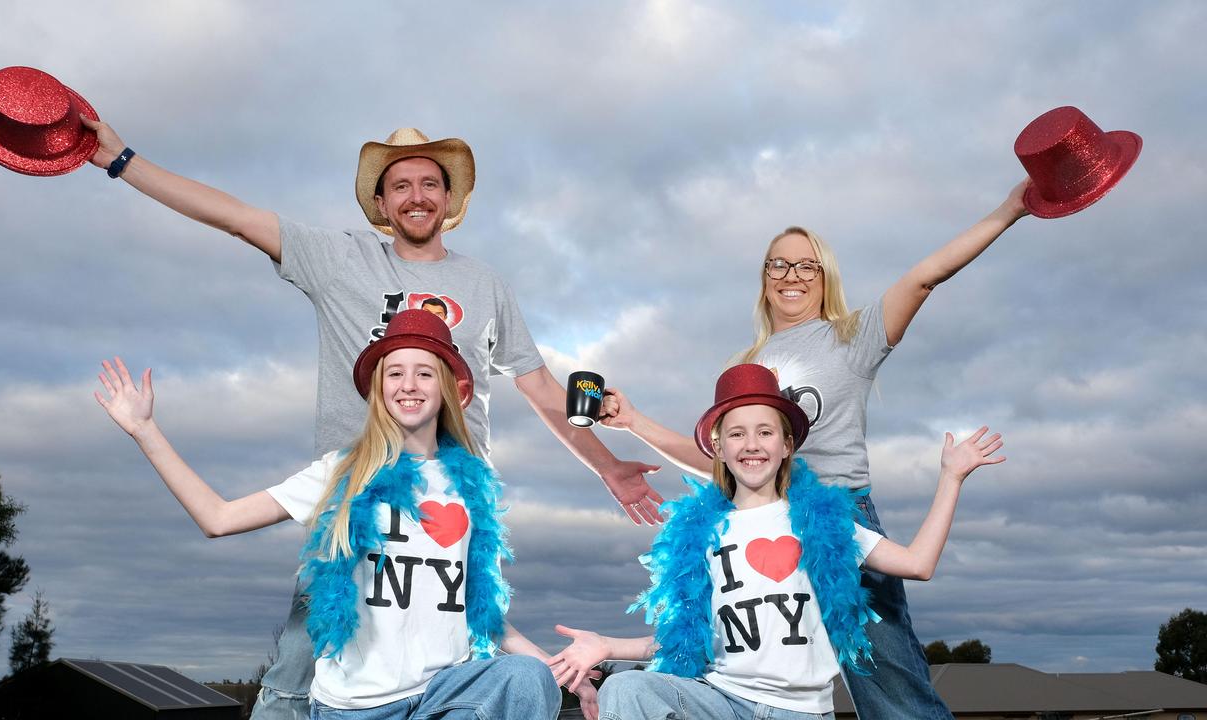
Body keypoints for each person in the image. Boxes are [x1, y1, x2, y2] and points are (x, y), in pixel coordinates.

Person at [79, 118, 663, 717]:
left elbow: (541, 389)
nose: (417, 196)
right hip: (352, 502)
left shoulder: (484, 284)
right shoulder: (340, 260)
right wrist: (122, 160)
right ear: (380, 203)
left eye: (431, 183)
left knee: (472, 662)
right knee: (303, 669)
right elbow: (234, 215)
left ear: (451, 198)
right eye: (401, 184)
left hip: (454, 508)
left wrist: (608, 467)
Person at [598, 183, 1030, 718]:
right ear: (764, 280)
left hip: (838, 518)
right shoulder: (747, 362)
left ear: (825, 277)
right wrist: (632, 421)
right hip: (764, 516)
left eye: (808, 265)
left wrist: (1011, 209)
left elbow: (925, 276)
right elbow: (719, 455)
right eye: (778, 266)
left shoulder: (852, 335)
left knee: (888, 686)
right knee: (738, 663)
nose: (793, 276)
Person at [95, 310, 595, 719]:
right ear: (378, 389)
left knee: (527, 680)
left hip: (444, 697)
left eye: (425, 373)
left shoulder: (472, 487)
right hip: (358, 708)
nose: (409, 384)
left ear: (446, 388)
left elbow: (481, 612)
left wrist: (560, 671)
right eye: (395, 373)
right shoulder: (343, 472)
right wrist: (145, 431)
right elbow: (217, 517)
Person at [551, 364, 1003, 720]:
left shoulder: (825, 522)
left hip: (802, 712)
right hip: (723, 702)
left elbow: (918, 563)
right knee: (629, 688)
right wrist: (607, 645)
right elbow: (684, 640)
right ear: (718, 448)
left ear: (787, 445)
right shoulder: (702, 535)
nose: (752, 444)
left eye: (765, 432)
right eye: (737, 433)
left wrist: (951, 477)